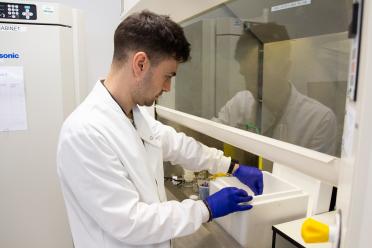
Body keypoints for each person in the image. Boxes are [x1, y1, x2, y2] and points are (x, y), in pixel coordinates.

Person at [57, 11, 263, 248]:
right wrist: (205, 209)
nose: (167, 87)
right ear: (140, 63)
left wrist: (230, 166)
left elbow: (177, 145)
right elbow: (131, 222)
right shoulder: (84, 133)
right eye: (168, 76)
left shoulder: (135, 114)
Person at [213, 24, 337, 156]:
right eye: (247, 76)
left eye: (259, 76)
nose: (251, 88)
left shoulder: (319, 120)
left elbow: (314, 174)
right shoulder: (239, 103)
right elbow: (210, 137)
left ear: (286, 67)